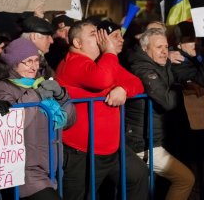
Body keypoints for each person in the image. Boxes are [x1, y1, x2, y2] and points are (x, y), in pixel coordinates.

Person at [56, 20, 148, 200]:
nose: (101, 39)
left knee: (137, 175)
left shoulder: (103, 61)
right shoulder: (72, 62)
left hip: (111, 149)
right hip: (82, 152)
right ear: (77, 43)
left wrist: (123, 89)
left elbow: (137, 83)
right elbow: (103, 80)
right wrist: (110, 51)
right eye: (93, 34)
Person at [0, 38, 76, 199]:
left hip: (52, 168)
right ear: (13, 63)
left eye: (36, 61)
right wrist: (36, 95)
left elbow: (69, 122)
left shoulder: (40, 83)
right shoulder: (2, 87)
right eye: (28, 61)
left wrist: (62, 96)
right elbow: (14, 123)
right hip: (25, 172)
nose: (34, 66)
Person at [126, 27, 195, 200]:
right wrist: (183, 90)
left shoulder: (161, 65)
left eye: (166, 47)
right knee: (185, 179)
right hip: (143, 143)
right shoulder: (142, 67)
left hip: (157, 138)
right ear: (145, 49)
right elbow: (167, 100)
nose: (164, 51)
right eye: (159, 47)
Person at [168, 21, 204, 200]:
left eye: (197, 38)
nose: (196, 43)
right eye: (190, 40)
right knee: (197, 180)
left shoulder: (195, 58)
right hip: (190, 129)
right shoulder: (177, 61)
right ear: (178, 43)